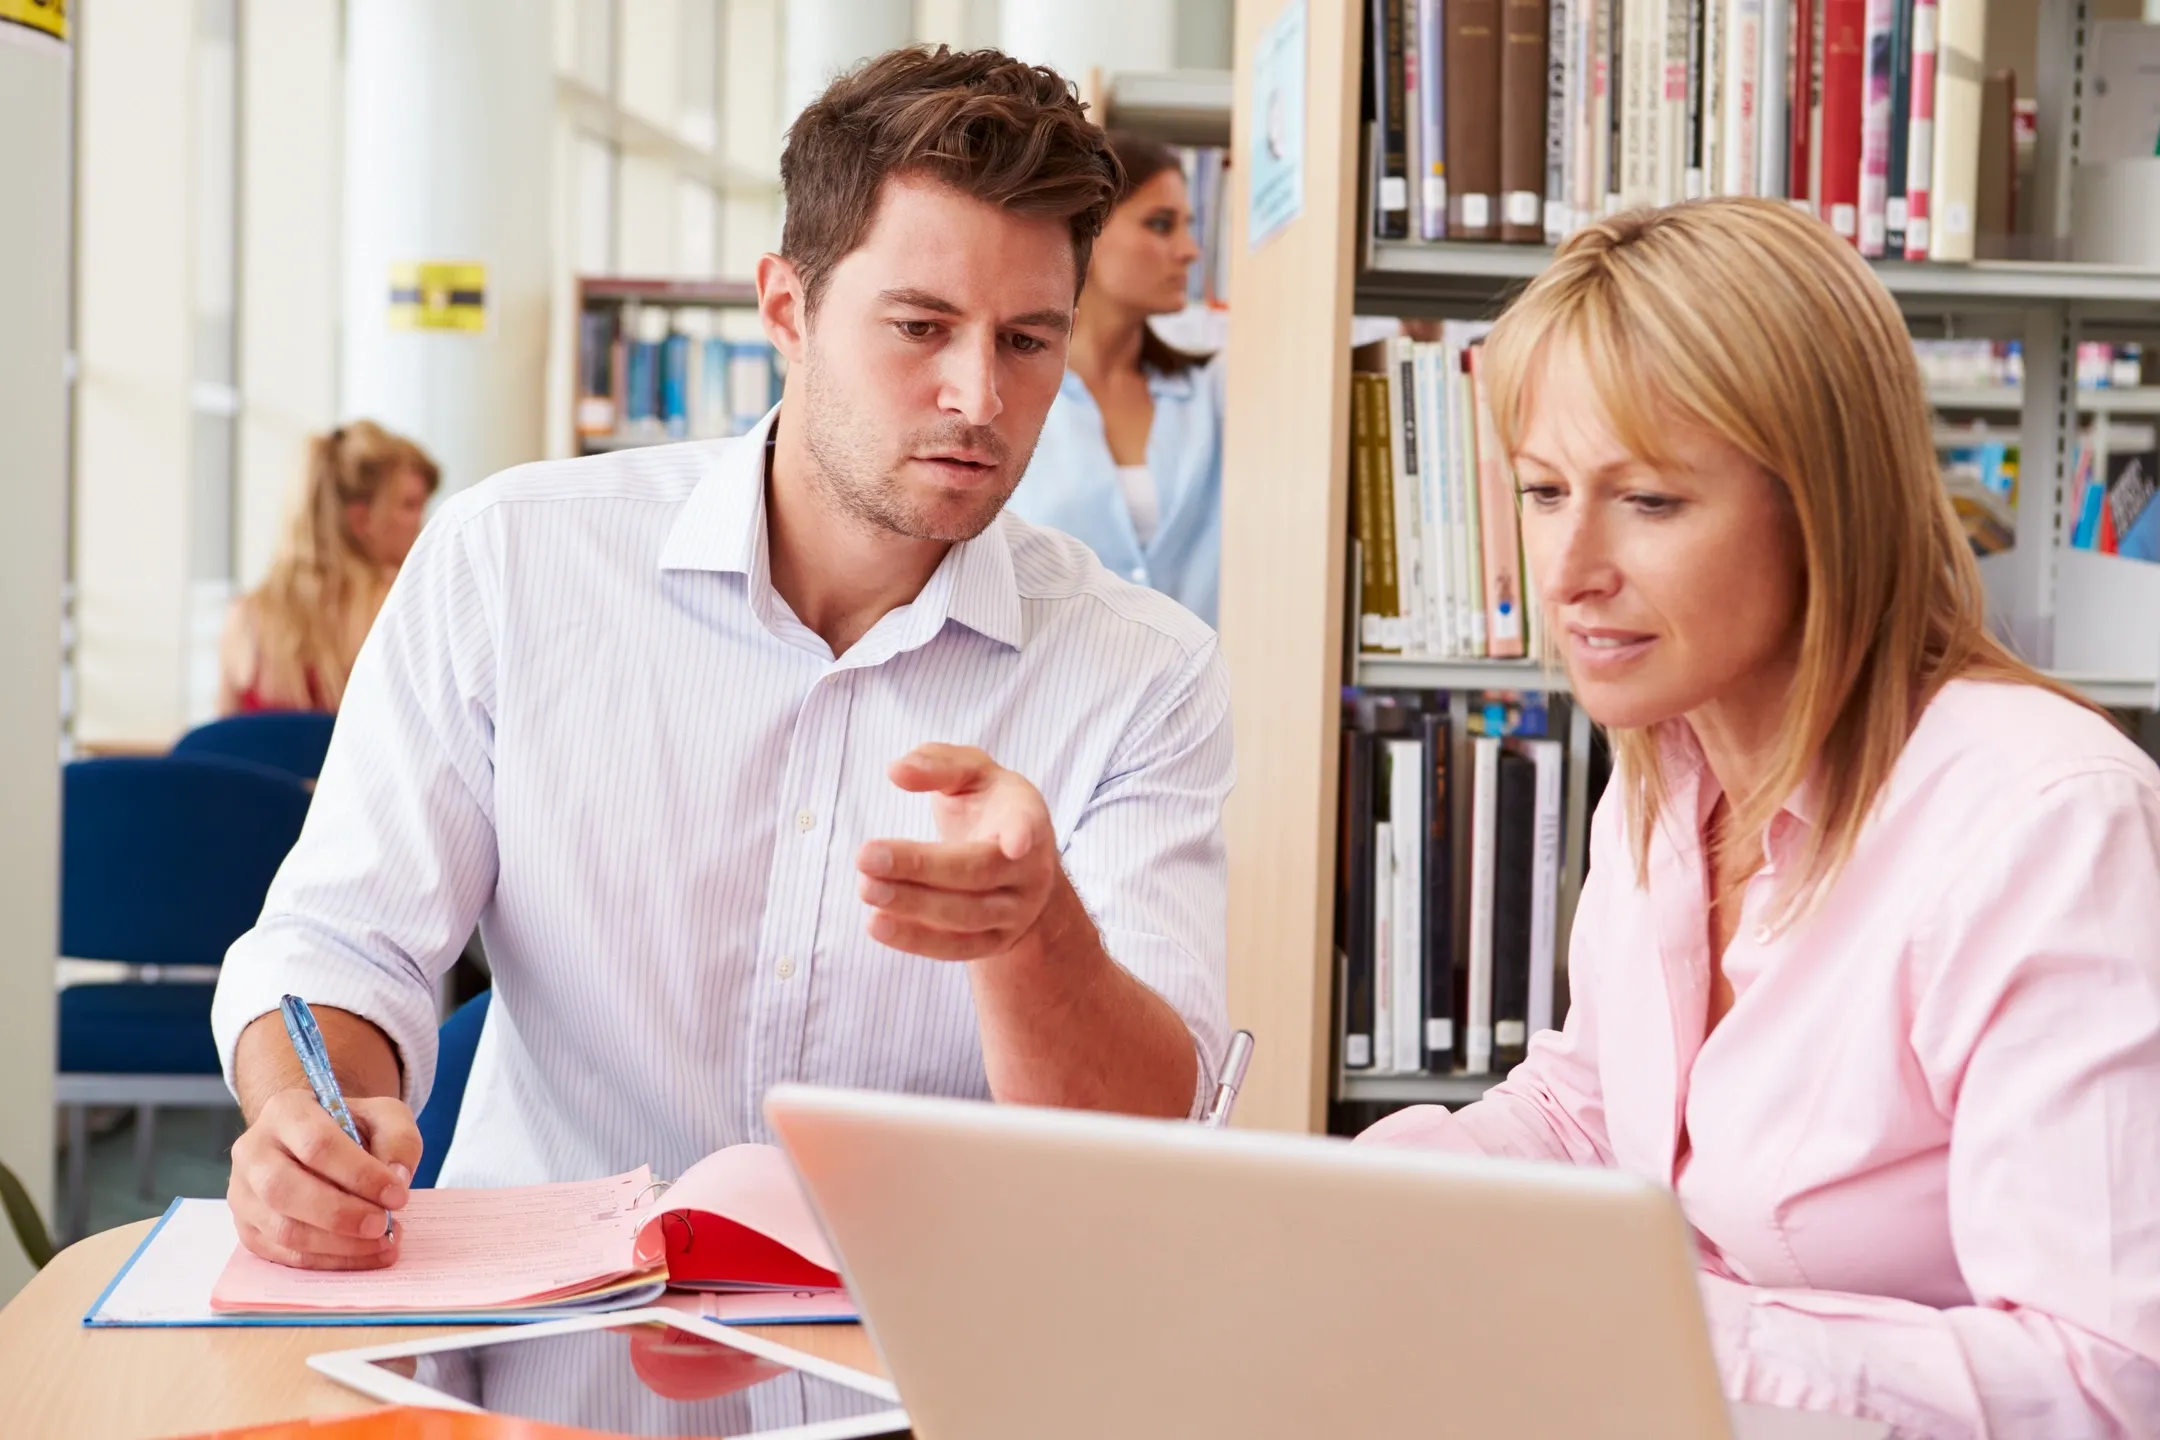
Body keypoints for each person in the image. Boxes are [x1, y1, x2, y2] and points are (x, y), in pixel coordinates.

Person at [211, 46, 1230, 1272]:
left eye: (1027, 340)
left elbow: (1150, 1139)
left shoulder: (1145, 672)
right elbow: (342, 944)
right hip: (549, 1361)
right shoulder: (511, 564)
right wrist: (307, 1118)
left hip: (922, 1371)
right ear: (788, 309)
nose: (979, 396)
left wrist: (1038, 934)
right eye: (921, 326)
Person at [1358, 199, 2160, 1438]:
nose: (1567, 573)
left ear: (1825, 507)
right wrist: (1326, 1213)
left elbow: (2106, 1383)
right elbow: (1588, 1111)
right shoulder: (1669, 757)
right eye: (1542, 489)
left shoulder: (2047, 824)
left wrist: (1635, 1319)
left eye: (1652, 503)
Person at [1005, 130, 1223, 626]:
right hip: (1051, 689)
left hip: (1200, 688)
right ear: (1090, 233)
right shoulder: (1006, 395)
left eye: (1189, 227)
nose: (1190, 250)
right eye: (1161, 225)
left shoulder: (1209, 393)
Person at [216, 420, 438, 714]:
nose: (424, 522)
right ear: (361, 520)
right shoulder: (401, 609)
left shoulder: (245, 616)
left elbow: (222, 747)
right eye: (410, 505)